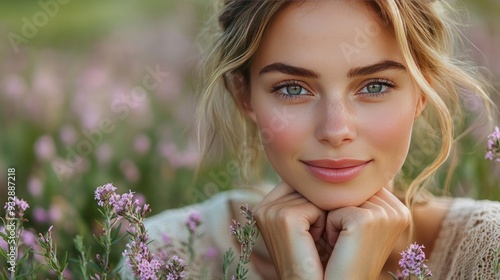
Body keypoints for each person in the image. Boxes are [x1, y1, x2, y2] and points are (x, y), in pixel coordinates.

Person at [122, 0, 500, 279]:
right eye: (291, 89)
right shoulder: (163, 254)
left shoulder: (488, 253)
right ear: (244, 95)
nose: (336, 131)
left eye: (375, 85)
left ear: (422, 91)